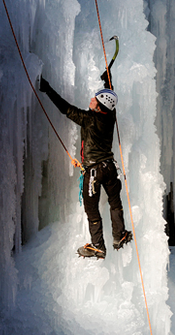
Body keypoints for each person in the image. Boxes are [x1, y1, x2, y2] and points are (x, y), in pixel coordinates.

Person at [39, 72, 132, 259]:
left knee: (91, 208)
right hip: (110, 168)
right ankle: (119, 235)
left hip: (94, 172)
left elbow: (65, 108)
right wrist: (108, 81)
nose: (91, 99)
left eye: (95, 99)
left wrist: (48, 89)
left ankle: (98, 245)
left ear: (99, 107)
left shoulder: (88, 119)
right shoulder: (110, 115)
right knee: (115, 201)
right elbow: (110, 98)